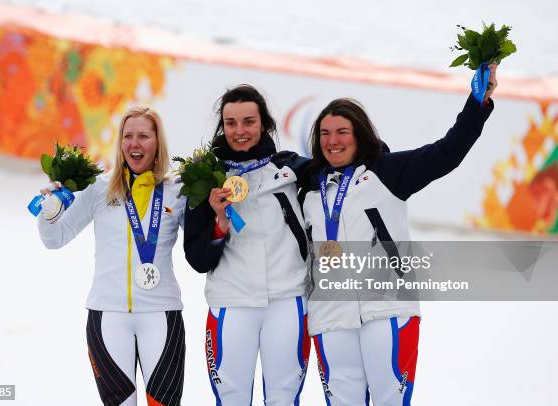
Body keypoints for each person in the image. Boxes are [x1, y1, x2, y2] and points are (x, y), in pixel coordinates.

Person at [300, 66, 498, 405]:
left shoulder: (388, 172)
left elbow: (446, 153)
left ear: (359, 135)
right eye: (325, 133)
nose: (333, 141)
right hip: (331, 319)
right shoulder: (308, 188)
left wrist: (477, 103)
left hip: (388, 312)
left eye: (342, 131)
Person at [37, 106, 186, 406]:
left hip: (161, 314)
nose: (135, 143)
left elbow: (201, 247)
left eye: (144, 135)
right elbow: (55, 239)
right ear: (120, 144)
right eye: (128, 136)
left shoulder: (177, 191)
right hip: (107, 316)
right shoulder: (99, 189)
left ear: (158, 143)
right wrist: (49, 211)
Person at [183, 85, 311, 405]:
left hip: (287, 303)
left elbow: (346, 160)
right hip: (231, 305)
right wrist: (218, 223)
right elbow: (198, 260)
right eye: (230, 123)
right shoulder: (206, 179)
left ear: (265, 124)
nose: (239, 131)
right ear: (222, 127)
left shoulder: (292, 171)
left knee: (283, 400)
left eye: (249, 122)